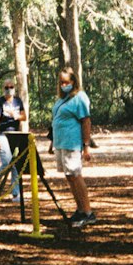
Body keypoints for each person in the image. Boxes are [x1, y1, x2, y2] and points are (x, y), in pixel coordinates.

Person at [50, 66, 95, 228]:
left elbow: (86, 121)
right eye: (61, 82)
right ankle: (80, 209)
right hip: (61, 143)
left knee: (76, 175)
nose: (64, 85)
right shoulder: (62, 99)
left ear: (73, 81)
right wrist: (52, 143)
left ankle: (88, 212)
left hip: (72, 143)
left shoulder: (79, 97)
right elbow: (56, 120)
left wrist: (86, 146)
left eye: (66, 82)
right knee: (69, 176)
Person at [0, 76, 27, 200]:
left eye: (11, 87)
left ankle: (16, 193)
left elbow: (24, 117)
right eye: (6, 87)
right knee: (7, 162)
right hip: (2, 134)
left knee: (15, 163)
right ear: (3, 89)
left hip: (15, 135)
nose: (9, 89)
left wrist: (16, 116)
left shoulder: (18, 101)